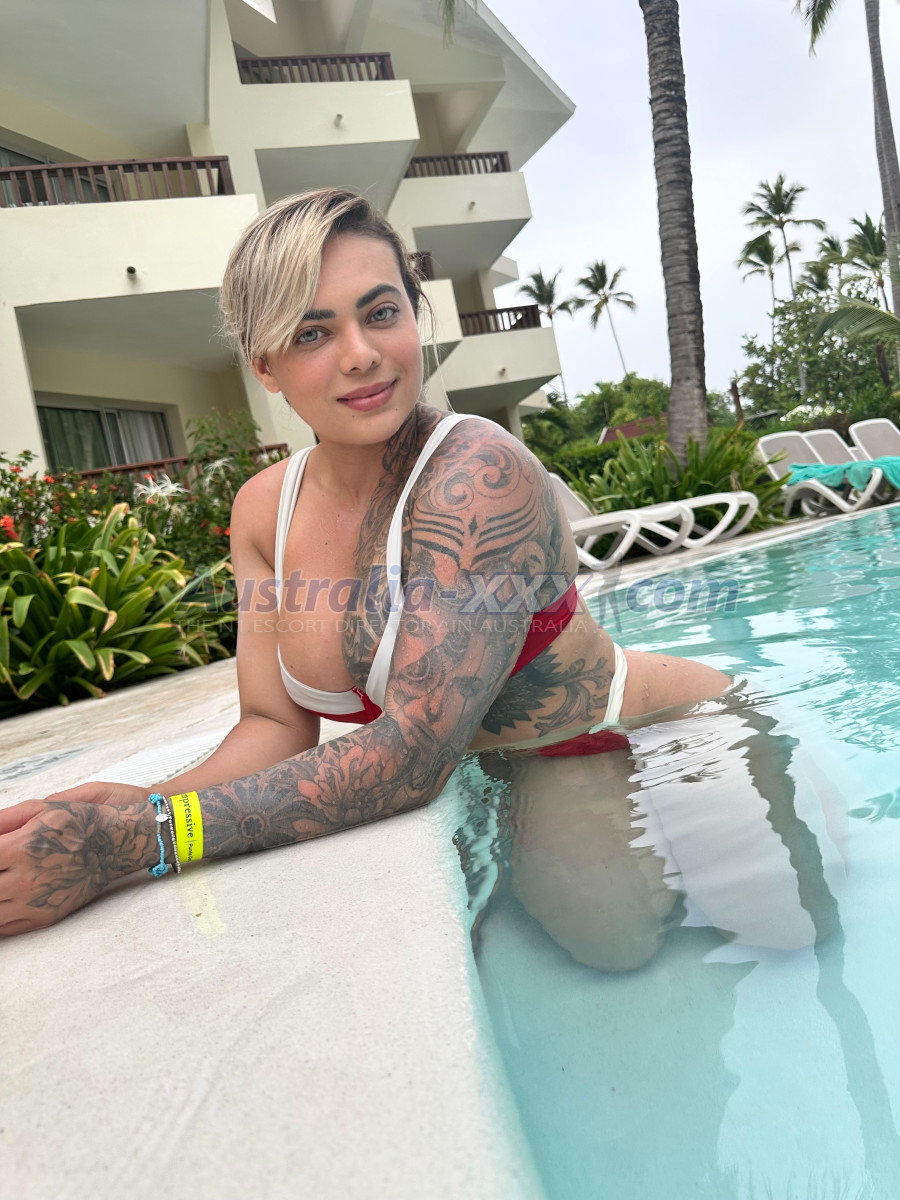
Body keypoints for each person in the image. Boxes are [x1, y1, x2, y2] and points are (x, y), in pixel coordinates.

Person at [0, 188, 734, 939]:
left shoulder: (477, 474)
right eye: (312, 332)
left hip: (650, 732)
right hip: (491, 766)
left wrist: (137, 840)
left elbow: (414, 754)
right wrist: (142, 804)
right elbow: (273, 724)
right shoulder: (264, 510)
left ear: (414, 315)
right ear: (266, 366)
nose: (360, 354)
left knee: (638, 942)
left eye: (381, 313)